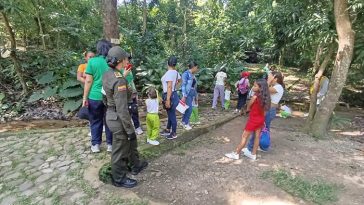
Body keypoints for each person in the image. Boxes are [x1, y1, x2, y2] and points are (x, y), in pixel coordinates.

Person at [103, 46, 148, 188]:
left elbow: (104, 95)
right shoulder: (119, 81)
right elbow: (122, 109)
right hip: (118, 118)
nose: (128, 60)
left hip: (111, 113)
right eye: (126, 58)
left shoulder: (108, 74)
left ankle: (136, 165)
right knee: (120, 150)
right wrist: (129, 129)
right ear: (121, 60)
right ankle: (119, 178)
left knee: (131, 144)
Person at [225, 79, 271, 161]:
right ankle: (253, 154)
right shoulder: (266, 98)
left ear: (260, 88)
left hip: (253, 120)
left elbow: (248, 107)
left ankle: (236, 153)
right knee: (257, 137)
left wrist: (249, 110)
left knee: (244, 136)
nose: (253, 87)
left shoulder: (255, 97)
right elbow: (264, 112)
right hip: (260, 120)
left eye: (255, 86)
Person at [82, 40, 113, 153]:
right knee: (109, 120)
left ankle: (96, 145)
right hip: (109, 96)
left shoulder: (92, 61)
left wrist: (85, 98)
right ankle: (110, 144)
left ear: (98, 49)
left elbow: (88, 81)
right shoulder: (112, 61)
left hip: (94, 97)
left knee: (95, 120)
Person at [244, 71, 285, 153]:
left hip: (269, 111)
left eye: (270, 76)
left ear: (275, 78)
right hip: (267, 110)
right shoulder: (274, 86)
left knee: (258, 128)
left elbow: (262, 89)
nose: (268, 78)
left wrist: (267, 82)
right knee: (264, 129)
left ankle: (250, 148)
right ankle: (264, 147)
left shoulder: (279, 87)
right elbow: (259, 88)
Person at [119, 63, 144, 135]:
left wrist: (135, 93)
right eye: (125, 60)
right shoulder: (118, 70)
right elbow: (118, 83)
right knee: (126, 113)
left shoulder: (129, 70)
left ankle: (137, 127)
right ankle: (127, 129)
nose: (127, 62)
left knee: (134, 110)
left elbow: (131, 82)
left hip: (132, 93)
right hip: (124, 95)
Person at [160, 56, 181, 140]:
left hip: (169, 95)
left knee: (172, 115)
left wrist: (168, 99)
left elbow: (169, 86)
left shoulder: (169, 73)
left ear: (167, 63)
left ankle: (174, 133)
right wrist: (175, 87)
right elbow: (180, 80)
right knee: (170, 114)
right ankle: (168, 129)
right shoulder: (175, 72)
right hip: (174, 94)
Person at [181, 61, 199, 130]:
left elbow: (194, 86)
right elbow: (183, 85)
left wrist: (196, 96)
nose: (197, 69)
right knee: (189, 109)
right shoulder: (186, 74)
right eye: (196, 67)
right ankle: (186, 123)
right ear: (193, 67)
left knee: (187, 108)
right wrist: (184, 95)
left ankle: (183, 122)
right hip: (187, 94)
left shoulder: (193, 75)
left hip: (192, 93)